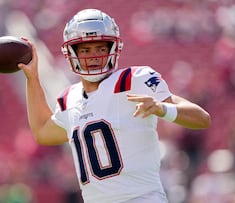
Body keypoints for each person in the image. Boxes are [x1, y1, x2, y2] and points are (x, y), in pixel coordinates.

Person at [18, 8, 211, 203]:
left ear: (113, 48)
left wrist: (163, 108)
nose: (93, 56)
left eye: (100, 48)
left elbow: (202, 118)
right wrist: (32, 79)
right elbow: (43, 132)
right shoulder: (70, 98)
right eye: (85, 50)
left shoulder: (134, 80)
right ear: (71, 52)